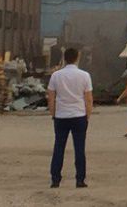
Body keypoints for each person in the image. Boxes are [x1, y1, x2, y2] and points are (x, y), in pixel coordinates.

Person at [47, 47, 93, 189]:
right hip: (79, 115)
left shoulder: (56, 76)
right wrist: (87, 116)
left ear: (64, 58)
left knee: (59, 147)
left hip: (61, 116)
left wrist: (53, 114)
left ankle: (55, 179)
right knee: (79, 149)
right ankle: (80, 179)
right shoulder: (84, 75)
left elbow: (51, 97)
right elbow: (88, 99)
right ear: (77, 57)